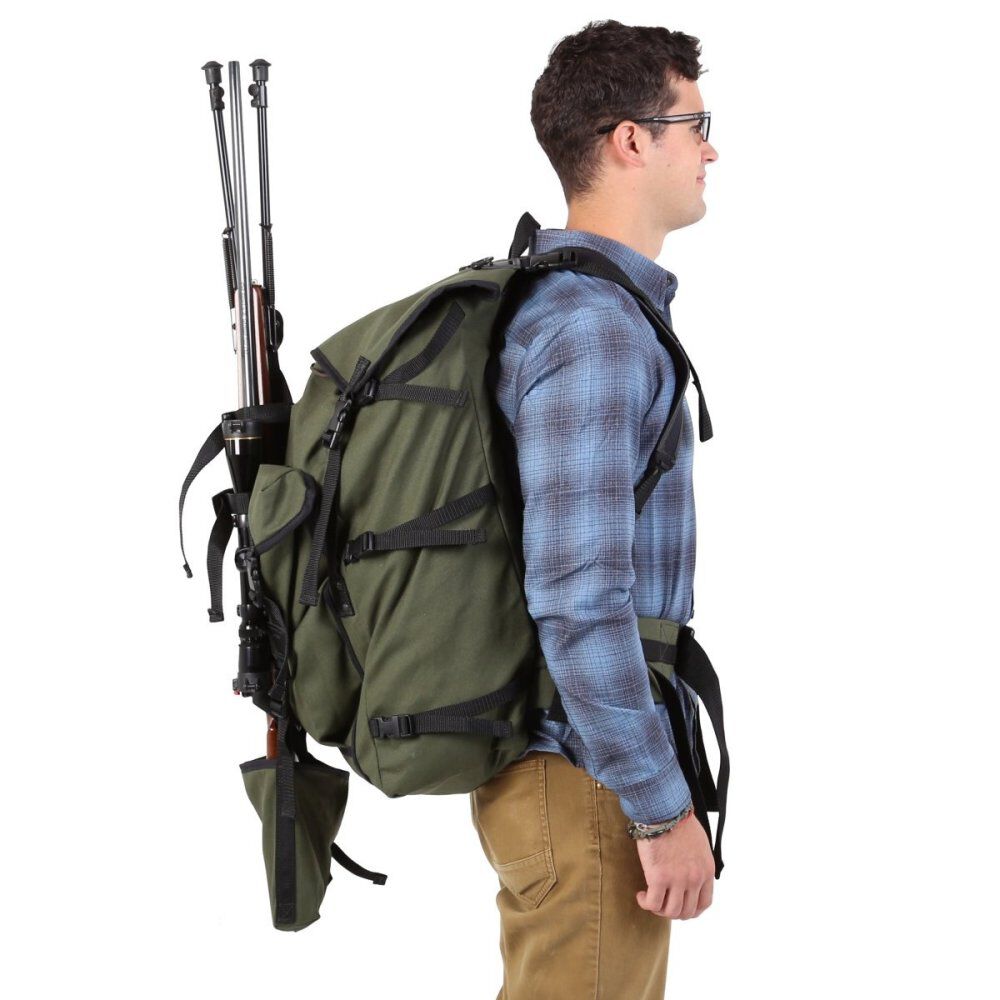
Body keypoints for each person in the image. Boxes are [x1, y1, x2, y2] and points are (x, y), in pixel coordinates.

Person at [468, 19, 721, 999]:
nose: (710, 151)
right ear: (630, 141)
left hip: (575, 771)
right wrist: (659, 807)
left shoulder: (585, 310)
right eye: (695, 126)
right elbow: (578, 600)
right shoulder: (594, 329)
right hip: (586, 778)